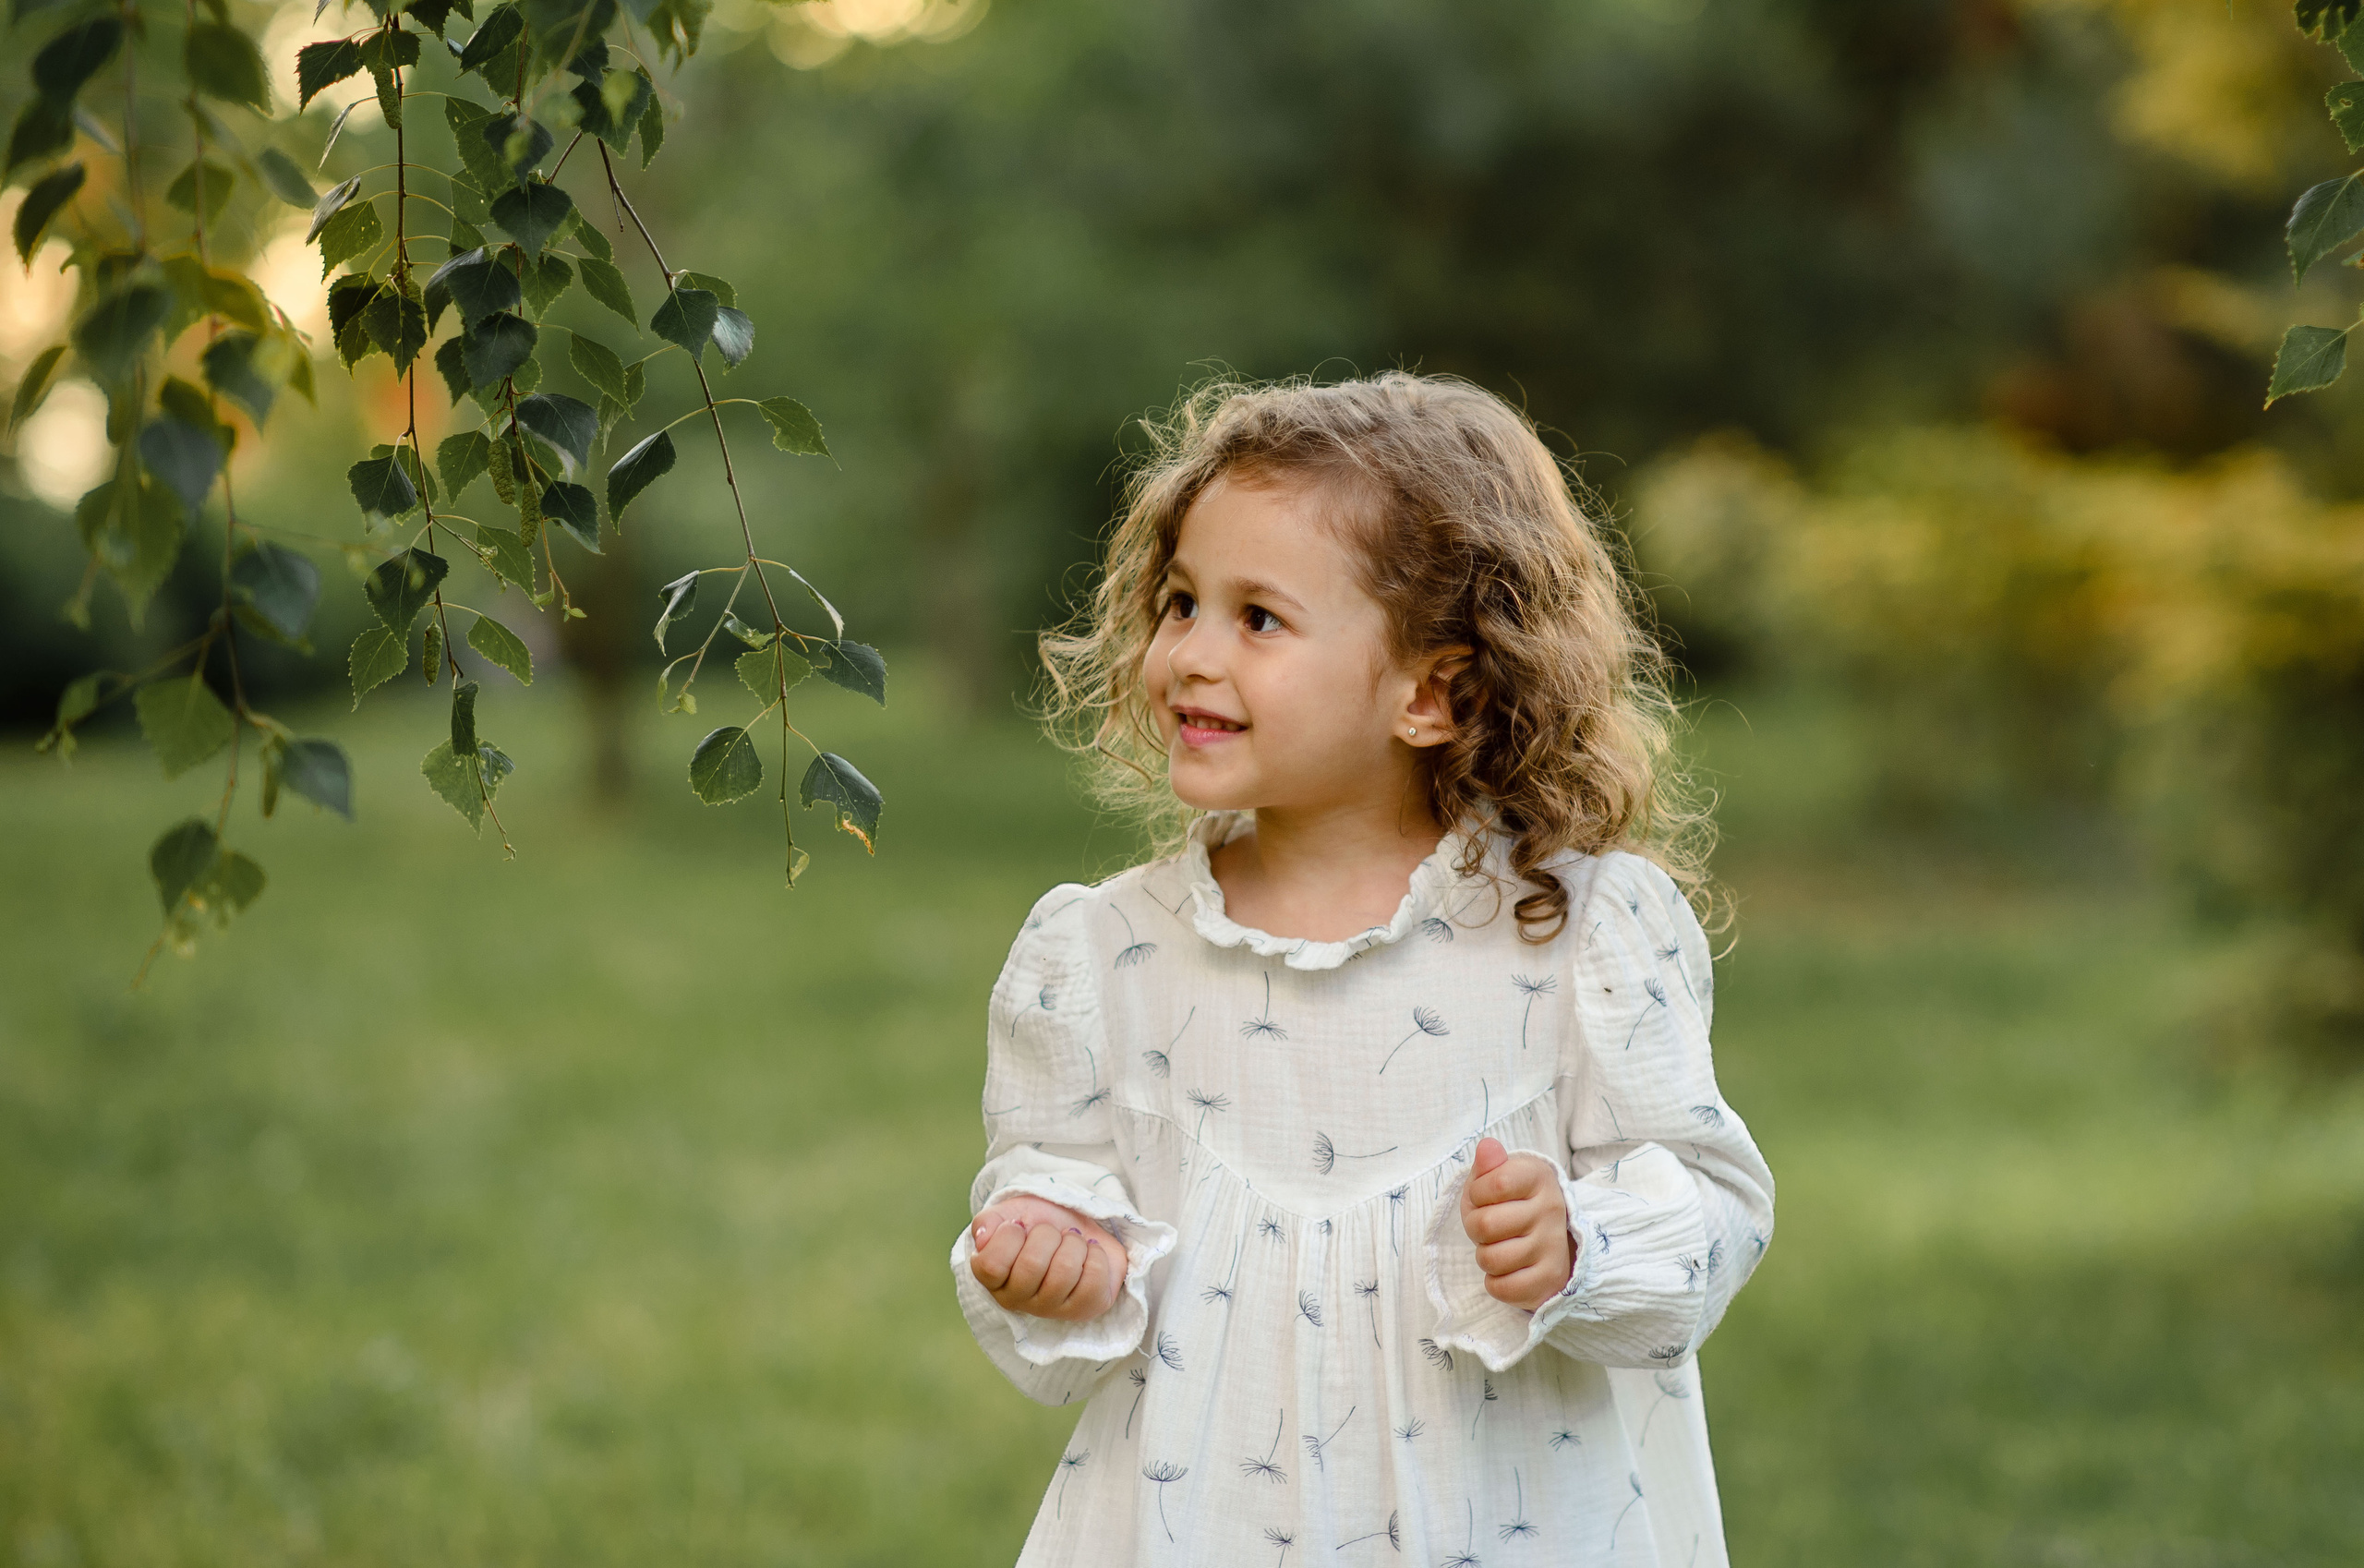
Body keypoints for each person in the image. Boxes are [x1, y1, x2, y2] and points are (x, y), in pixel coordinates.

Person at [948, 373, 1775, 1565]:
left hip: (1503, 1518)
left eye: (1258, 618)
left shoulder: (1575, 935)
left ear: (1431, 690)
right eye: (1181, 601)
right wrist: (1050, 1249)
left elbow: (1714, 1206)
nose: (1188, 653)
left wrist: (1580, 1240)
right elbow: (1058, 1196)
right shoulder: (1104, 957)